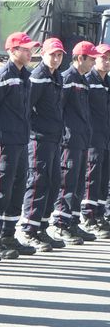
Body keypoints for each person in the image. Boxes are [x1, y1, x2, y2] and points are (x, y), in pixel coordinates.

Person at [0, 32, 40, 259]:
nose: (30, 53)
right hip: (4, 143)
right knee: (1, 190)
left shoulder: (26, 76)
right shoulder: (3, 76)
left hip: (21, 141)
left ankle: (9, 234)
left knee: (17, 189)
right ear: (12, 50)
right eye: (25, 49)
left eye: (31, 49)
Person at [20, 38, 66, 250]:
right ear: (43, 55)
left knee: (54, 181)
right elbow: (27, 108)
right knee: (38, 181)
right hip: (39, 138)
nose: (56, 59)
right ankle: (30, 228)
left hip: (54, 138)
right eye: (52, 55)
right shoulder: (38, 76)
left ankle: (42, 226)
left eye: (59, 55)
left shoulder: (56, 77)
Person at [52, 41, 99, 244]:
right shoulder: (68, 79)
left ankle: (72, 221)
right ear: (81, 58)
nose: (94, 62)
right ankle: (61, 224)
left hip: (81, 139)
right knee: (67, 183)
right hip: (69, 141)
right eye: (92, 58)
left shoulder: (82, 80)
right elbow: (59, 110)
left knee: (79, 183)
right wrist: (64, 134)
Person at [80, 44, 110, 238]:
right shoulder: (88, 81)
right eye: (103, 58)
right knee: (91, 176)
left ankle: (99, 214)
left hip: (106, 137)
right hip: (92, 137)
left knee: (103, 177)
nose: (106, 62)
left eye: (109, 59)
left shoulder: (107, 81)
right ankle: (89, 216)